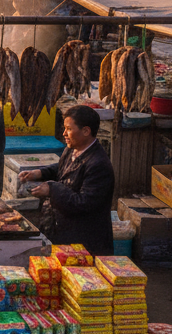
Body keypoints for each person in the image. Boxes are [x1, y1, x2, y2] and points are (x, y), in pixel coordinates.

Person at [19, 105, 115, 256]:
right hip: (62, 232)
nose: (64, 133)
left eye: (69, 129)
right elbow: (63, 168)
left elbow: (82, 203)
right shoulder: (72, 149)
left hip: (84, 244)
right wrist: (40, 173)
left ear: (85, 131)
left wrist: (52, 189)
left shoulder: (98, 165)